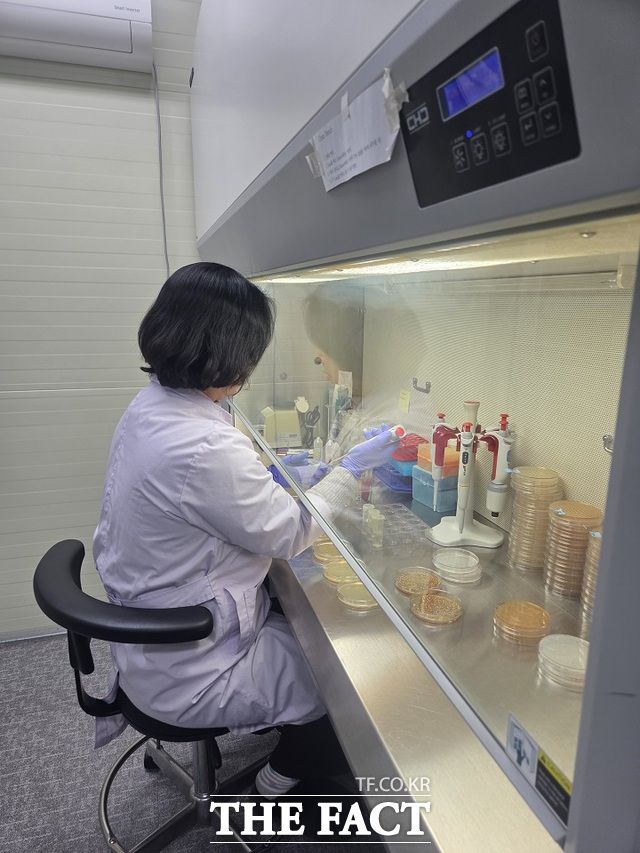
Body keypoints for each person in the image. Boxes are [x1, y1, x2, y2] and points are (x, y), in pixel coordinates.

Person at [92, 261, 399, 797]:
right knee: (353, 688)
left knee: (306, 632)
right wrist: (349, 471)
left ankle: (284, 737)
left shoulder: (156, 406)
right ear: (230, 355)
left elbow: (204, 498)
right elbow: (291, 533)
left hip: (157, 632)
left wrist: (285, 476)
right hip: (194, 661)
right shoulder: (201, 443)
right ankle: (278, 778)